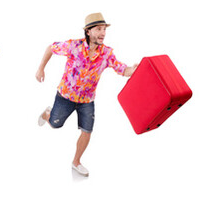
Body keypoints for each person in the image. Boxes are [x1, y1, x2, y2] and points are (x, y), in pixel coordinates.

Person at [35, 12, 137, 176]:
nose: (103, 33)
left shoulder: (107, 54)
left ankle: (76, 162)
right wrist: (41, 69)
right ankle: (47, 115)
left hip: (87, 100)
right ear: (88, 31)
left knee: (87, 131)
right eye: (98, 29)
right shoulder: (73, 46)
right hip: (65, 96)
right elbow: (50, 48)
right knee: (55, 124)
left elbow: (122, 69)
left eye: (104, 29)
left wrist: (132, 70)